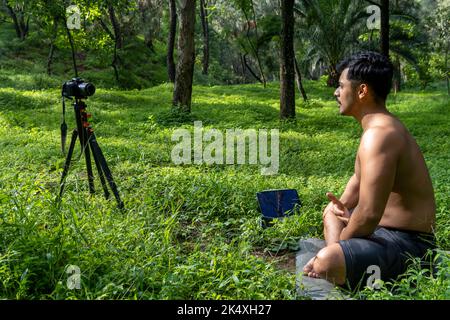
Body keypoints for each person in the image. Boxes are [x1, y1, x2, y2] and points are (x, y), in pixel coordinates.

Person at [303, 51, 437, 289]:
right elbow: (354, 187)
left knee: (327, 260)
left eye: (341, 86)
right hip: (381, 232)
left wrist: (337, 246)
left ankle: (333, 263)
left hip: (410, 245)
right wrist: (339, 208)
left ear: (362, 91)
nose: (336, 93)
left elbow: (368, 215)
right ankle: (340, 263)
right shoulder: (373, 130)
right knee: (331, 213)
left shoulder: (380, 135)